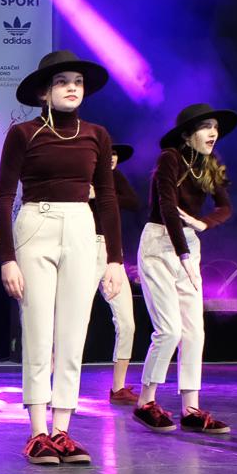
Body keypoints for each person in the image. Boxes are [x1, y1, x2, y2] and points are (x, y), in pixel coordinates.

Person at [0, 50, 126, 466]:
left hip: (81, 226)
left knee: (74, 332)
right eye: (62, 82)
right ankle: (38, 431)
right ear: (44, 92)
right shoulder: (23, 133)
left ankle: (63, 429)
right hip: (36, 224)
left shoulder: (97, 135)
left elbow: (108, 198)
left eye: (78, 82)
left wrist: (115, 259)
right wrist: (7, 258)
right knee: (38, 330)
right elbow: (3, 198)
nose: (72, 88)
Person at [133, 103, 236, 435]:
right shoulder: (170, 159)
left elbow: (225, 207)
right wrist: (183, 255)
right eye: (206, 127)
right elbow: (166, 207)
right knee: (169, 330)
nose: (213, 133)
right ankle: (145, 402)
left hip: (188, 243)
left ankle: (191, 409)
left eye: (215, 127)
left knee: (194, 331)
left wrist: (203, 223)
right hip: (161, 244)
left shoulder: (209, 163)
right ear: (188, 134)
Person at [96, 142, 142, 405]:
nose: (112, 158)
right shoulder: (83, 174)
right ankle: (52, 386)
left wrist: (102, 195)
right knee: (71, 321)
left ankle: (118, 387)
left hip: (112, 251)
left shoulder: (114, 179)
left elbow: (134, 202)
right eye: (109, 153)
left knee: (127, 322)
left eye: (115, 155)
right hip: (82, 247)